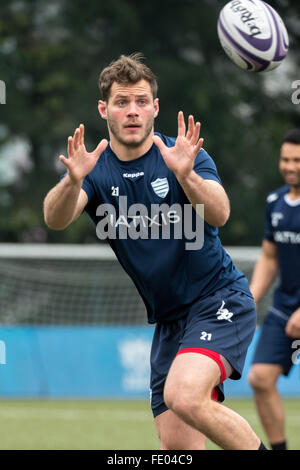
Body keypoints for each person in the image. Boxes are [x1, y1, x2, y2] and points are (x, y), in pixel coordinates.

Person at [43, 53, 266, 450]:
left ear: (155, 108)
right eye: (122, 102)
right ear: (103, 109)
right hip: (168, 322)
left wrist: (186, 174)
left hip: (218, 298)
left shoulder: (182, 155)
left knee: (183, 394)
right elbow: (56, 218)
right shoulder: (93, 168)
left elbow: (221, 212)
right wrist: (71, 181)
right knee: (177, 449)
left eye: (142, 102)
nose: (133, 111)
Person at [248, 129, 300, 451]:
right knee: (260, 378)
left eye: (297, 160)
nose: (290, 165)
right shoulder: (275, 202)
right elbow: (269, 257)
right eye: (285, 159)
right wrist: (250, 297)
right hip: (285, 307)